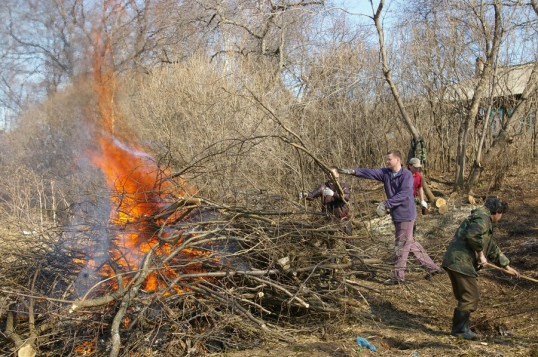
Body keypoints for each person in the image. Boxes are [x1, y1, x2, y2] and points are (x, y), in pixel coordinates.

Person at [338, 150, 441, 284]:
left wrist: (386, 204)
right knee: (411, 243)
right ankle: (433, 269)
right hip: (397, 215)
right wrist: (353, 171)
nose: (387, 162)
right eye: (386, 159)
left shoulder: (407, 175)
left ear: (398, 160)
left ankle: (398, 277)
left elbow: (404, 194)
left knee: (401, 245)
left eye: (389, 159)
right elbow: (370, 172)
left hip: (406, 214)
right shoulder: (386, 173)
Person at [442, 197, 519, 340]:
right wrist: (480, 254)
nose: (500, 218)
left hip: (454, 261)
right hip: (461, 261)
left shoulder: (483, 220)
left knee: (465, 297)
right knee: (471, 297)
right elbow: (473, 235)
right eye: (501, 214)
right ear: (497, 211)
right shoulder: (482, 218)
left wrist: (507, 266)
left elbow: (491, 247)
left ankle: (462, 329)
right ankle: (459, 331)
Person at [305, 166, 352, 236]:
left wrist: (334, 194)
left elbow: (346, 197)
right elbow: (312, 195)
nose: (330, 174)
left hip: (342, 218)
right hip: (328, 218)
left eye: (332, 173)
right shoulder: (323, 187)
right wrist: (305, 195)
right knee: (329, 241)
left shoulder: (343, 186)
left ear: (337, 174)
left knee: (348, 240)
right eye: (329, 173)